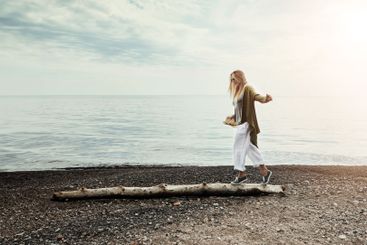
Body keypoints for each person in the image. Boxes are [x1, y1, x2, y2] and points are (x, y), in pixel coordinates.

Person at [223, 70, 273, 184]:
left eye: (234, 79)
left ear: (240, 78)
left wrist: (265, 99)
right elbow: (238, 109)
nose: (232, 81)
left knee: (238, 147)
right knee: (249, 147)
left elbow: (256, 96)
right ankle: (264, 171)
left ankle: (241, 174)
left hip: (246, 123)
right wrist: (233, 117)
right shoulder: (237, 91)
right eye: (231, 79)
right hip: (241, 123)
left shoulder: (247, 88)